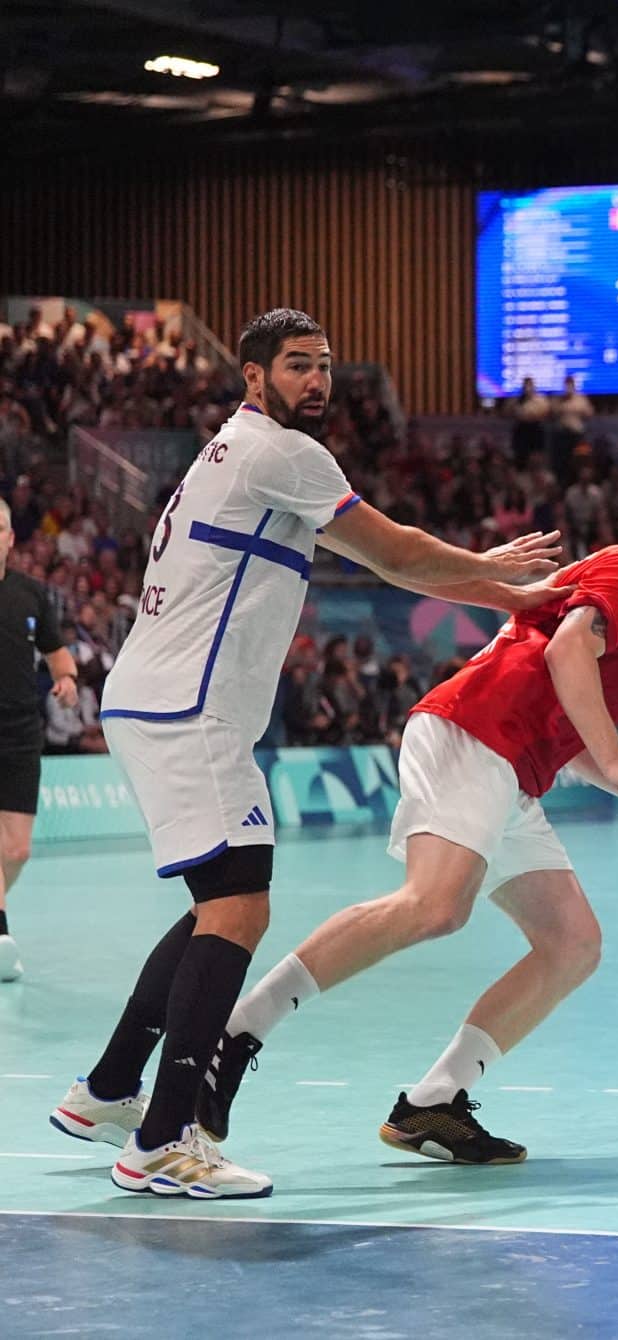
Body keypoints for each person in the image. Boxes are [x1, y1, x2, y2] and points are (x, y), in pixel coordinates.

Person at [48, 308, 564, 1199]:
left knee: (219, 901)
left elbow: (391, 568)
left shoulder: (252, 460)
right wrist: (499, 568)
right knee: (240, 908)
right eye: (296, 366)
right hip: (191, 709)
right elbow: (398, 546)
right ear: (253, 377)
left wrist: (507, 592)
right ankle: (163, 1142)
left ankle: (108, 1089)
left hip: (165, 701)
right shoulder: (283, 455)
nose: (316, 382)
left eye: (324, 367)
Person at [198, 485, 618, 1167]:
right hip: (474, 731)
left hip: (510, 764)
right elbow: (565, 652)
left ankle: (434, 1102)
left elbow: (568, 730)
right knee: (434, 904)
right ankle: (237, 1031)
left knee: (572, 942)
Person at [0, 497, 81, 982]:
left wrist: (68, 682)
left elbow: (59, 656)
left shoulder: (32, 595)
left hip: (21, 732)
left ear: (10, 537)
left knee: (17, 851)